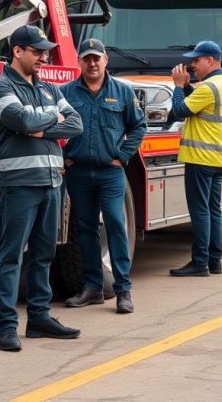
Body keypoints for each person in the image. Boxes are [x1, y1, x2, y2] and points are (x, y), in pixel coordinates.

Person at [0, 25, 83, 352]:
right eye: (37, 51)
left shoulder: (51, 89)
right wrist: (49, 119)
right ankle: (6, 326)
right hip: (19, 186)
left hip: (52, 183)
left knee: (44, 255)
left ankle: (39, 319)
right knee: (11, 256)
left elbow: (76, 124)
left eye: (45, 51)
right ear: (17, 51)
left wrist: (42, 129)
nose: (44, 57)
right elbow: (20, 121)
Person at [60, 38, 146, 314]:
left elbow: (138, 126)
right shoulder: (65, 93)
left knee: (115, 224)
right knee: (84, 229)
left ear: (105, 60)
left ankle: (123, 290)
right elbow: (51, 126)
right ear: (80, 62)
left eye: (97, 58)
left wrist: (122, 156)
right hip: (79, 173)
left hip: (110, 174)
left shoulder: (121, 92)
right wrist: (64, 157)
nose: (92, 63)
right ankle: (93, 288)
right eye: (87, 58)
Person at [168, 40, 222, 277]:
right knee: (213, 210)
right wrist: (187, 86)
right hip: (217, 158)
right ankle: (214, 261)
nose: (192, 65)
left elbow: (180, 110)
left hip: (200, 158)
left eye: (196, 60)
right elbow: (196, 106)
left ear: (210, 60)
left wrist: (177, 86)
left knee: (200, 212)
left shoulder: (208, 88)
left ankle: (199, 262)